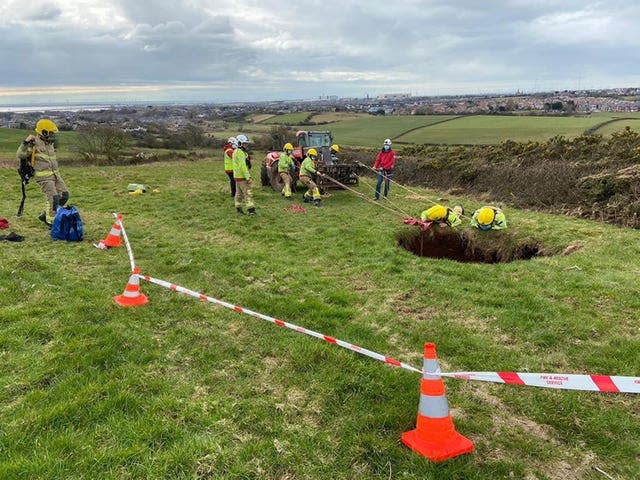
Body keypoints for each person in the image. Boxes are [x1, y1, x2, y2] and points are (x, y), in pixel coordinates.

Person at [16, 119, 69, 227]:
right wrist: (26, 142)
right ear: (43, 132)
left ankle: (45, 215)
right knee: (53, 199)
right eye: (51, 132)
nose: (53, 135)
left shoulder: (50, 143)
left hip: (55, 175)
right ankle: (51, 222)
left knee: (64, 196)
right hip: (44, 177)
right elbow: (20, 154)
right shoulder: (33, 143)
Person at [232, 134, 256, 215]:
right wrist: (248, 177)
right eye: (244, 143)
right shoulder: (241, 153)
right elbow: (243, 166)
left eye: (246, 143)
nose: (246, 145)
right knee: (248, 193)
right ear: (239, 143)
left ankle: (238, 209)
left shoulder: (235, 151)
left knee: (238, 194)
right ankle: (251, 211)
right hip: (242, 177)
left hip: (237, 177)